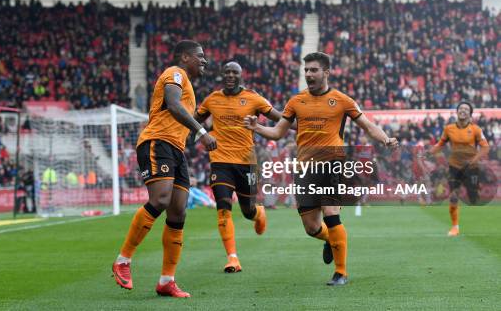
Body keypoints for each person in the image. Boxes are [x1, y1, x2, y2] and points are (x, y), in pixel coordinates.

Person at [244, 52, 398, 286]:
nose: (308, 74)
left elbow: (367, 125)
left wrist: (386, 139)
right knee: (312, 227)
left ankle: (341, 272)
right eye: (306, 70)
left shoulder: (342, 100)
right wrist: (257, 127)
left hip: (331, 163)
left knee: (331, 213)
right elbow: (278, 132)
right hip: (305, 168)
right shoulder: (296, 101)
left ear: (326, 72)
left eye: (314, 70)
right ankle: (329, 239)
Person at [112, 40, 217, 298]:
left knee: (178, 211)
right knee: (160, 199)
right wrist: (202, 130)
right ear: (185, 57)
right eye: (200, 56)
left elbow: (180, 117)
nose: (204, 61)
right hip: (157, 143)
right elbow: (172, 104)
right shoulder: (175, 73)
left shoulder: (188, 86)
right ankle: (123, 260)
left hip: (176, 149)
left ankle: (166, 280)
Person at [194, 61, 284, 273]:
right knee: (223, 208)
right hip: (220, 161)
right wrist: (202, 134)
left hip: (246, 162)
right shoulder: (212, 99)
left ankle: (258, 213)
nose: (231, 75)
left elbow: (280, 118)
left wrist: (304, 127)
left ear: (241, 76)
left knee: (247, 210)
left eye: (235, 72)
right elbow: (193, 120)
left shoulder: (253, 98)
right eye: (227, 72)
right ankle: (232, 258)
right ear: (222, 75)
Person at [429, 101, 489, 236]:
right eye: (460, 108)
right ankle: (455, 227)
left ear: (470, 114)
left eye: (466, 109)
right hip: (454, 166)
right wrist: (429, 152)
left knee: (473, 198)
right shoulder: (448, 128)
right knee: (454, 196)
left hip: (471, 168)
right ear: (457, 111)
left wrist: (473, 160)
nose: (463, 110)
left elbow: (485, 147)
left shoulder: (476, 129)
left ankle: (474, 191)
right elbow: (440, 144)